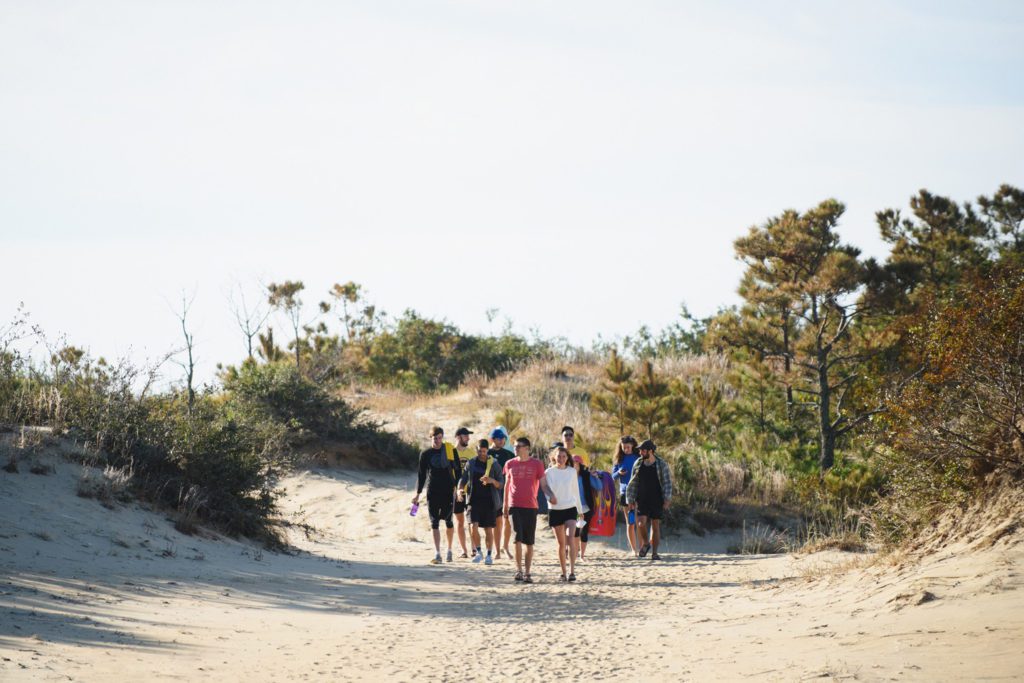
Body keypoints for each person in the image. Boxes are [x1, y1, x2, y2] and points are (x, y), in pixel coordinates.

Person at [503, 437, 557, 584]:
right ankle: (518, 570)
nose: (516, 448)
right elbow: (507, 485)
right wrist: (505, 505)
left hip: (531, 506)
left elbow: (544, 485)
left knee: (529, 541)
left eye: (519, 446)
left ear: (527, 448)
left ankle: (527, 573)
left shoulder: (537, 464)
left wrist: (550, 495)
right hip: (514, 505)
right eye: (515, 446)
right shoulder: (509, 464)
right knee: (517, 538)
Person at [412, 426, 462, 564]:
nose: (438, 440)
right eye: (435, 438)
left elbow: (458, 472)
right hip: (433, 490)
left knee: (448, 520)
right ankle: (437, 553)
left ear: (442, 437)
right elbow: (421, 475)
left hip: (448, 489)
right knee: (434, 522)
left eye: (440, 438)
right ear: (431, 438)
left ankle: (450, 550)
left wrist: (458, 488)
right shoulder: (425, 454)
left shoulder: (450, 450)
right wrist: (418, 494)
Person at [625, 439, 673, 561]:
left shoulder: (661, 464)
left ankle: (655, 553)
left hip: (657, 499)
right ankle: (646, 544)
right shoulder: (638, 463)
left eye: (643, 450)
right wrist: (630, 499)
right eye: (640, 450)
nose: (641, 452)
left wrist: (667, 499)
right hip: (642, 499)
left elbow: (667, 483)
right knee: (640, 524)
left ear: (651, 451)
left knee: (655, 525)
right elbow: (633, 482)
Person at [458, 438, 503, 565]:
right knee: (473, 526)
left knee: (488, 529)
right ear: (476, 450)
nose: (482, 454)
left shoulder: (494, 464)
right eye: (479, 451)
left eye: (484, 451)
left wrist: (492, 481)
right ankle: (479, 552)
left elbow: (501, 484)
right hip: (473, 500)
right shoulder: (471, 463)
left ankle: (489, 555)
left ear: (487, 451)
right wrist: (459, 490)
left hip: (489, 502)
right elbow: (463, 479)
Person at [545, 444, 582, 582]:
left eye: (564, 456)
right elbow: (546, 490)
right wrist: (550, 499)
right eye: (559, 456)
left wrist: (580, 510)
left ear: (567, 458)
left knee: (570, 538)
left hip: (570, 508)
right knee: (561, 544)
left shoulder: (572, 471)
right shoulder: (549, 472)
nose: (561, 458)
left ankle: (572, 571)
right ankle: (563, 572)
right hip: (555, 510)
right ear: (554, 457)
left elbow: (575, 491)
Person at [611, 436, 641, 556]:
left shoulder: (638, 458)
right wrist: (618, 473)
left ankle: (642, 547)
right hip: (625, 493)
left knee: (639, 522)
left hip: (638, 492)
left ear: (633, 446)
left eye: (628, 447)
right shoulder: (619, 459)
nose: (626, 449)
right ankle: (634, 550)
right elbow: (612, 477)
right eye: (624, 447)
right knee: (630, 522)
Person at [489, 428, 516, 560]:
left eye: (503, 438)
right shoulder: (486, 453)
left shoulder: (508, 454)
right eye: (499, 438)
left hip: (507, 491)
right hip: (492, 492)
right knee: (496, 522)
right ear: (493, 439)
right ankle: (497, 550)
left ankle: (505, 547)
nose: (502, 440)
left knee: (507, 522)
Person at [451, 427, 475, 559]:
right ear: (458, 437)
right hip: (455, 492)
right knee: (459, 522)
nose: (468, 438)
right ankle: (463, 550)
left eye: (468, 436)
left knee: (471, 522)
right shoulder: (451, 452)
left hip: (470, 492)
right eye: (466, 436)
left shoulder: (471, 453)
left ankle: (474, 549)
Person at [572, 454, 596, 560]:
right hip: (571, 507)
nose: (574, 465)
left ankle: (582, 555)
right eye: (572, 463)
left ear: (580, 464)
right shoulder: (567, 476)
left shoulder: (586, 475)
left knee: (584, 531)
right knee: (574, 531)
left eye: (576, 463)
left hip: (586, 507)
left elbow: (599, 486)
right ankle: (575, 553)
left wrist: (596, 476)